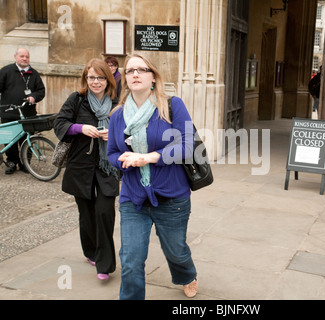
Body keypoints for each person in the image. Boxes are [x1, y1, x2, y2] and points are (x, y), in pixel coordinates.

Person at [107, 53, 198, 300]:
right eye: (130, 71)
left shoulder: (172, 106)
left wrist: (148, 157)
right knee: (131, 260)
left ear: (153, 77)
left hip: (171, 196)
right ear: (125, 79)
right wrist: (124, 160)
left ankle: (187, 275)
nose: (135, 74)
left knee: (176, 252)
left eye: (142, 69)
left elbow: (188, 146)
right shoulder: (117, 115)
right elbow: (112, 153)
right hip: (133, 197)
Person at [53, 58, 119, 280]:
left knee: (104, 211)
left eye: (100, 77)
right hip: (81, 165)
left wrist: (116, 135)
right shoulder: (77, 99)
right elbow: (59, 123)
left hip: (107, 165)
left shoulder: (118, 101)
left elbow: (131, 129)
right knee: (87, 213)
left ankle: (104, 264)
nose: (95, 82)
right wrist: (80, 128)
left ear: (107, 79)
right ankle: (91, 251)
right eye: (91, 77)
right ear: (85, 78)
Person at [0, 48, 45, 174]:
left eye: (27, 56)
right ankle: (11, 162)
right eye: (22, 56)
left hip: (28, 114)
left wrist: (34, 97)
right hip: (8, 112)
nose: (25, 58)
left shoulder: (34, 74)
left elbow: (41, 91)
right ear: (15, 56)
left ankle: (25, 163)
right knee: (10, 140)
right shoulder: (6, 71)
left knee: (27, 139)